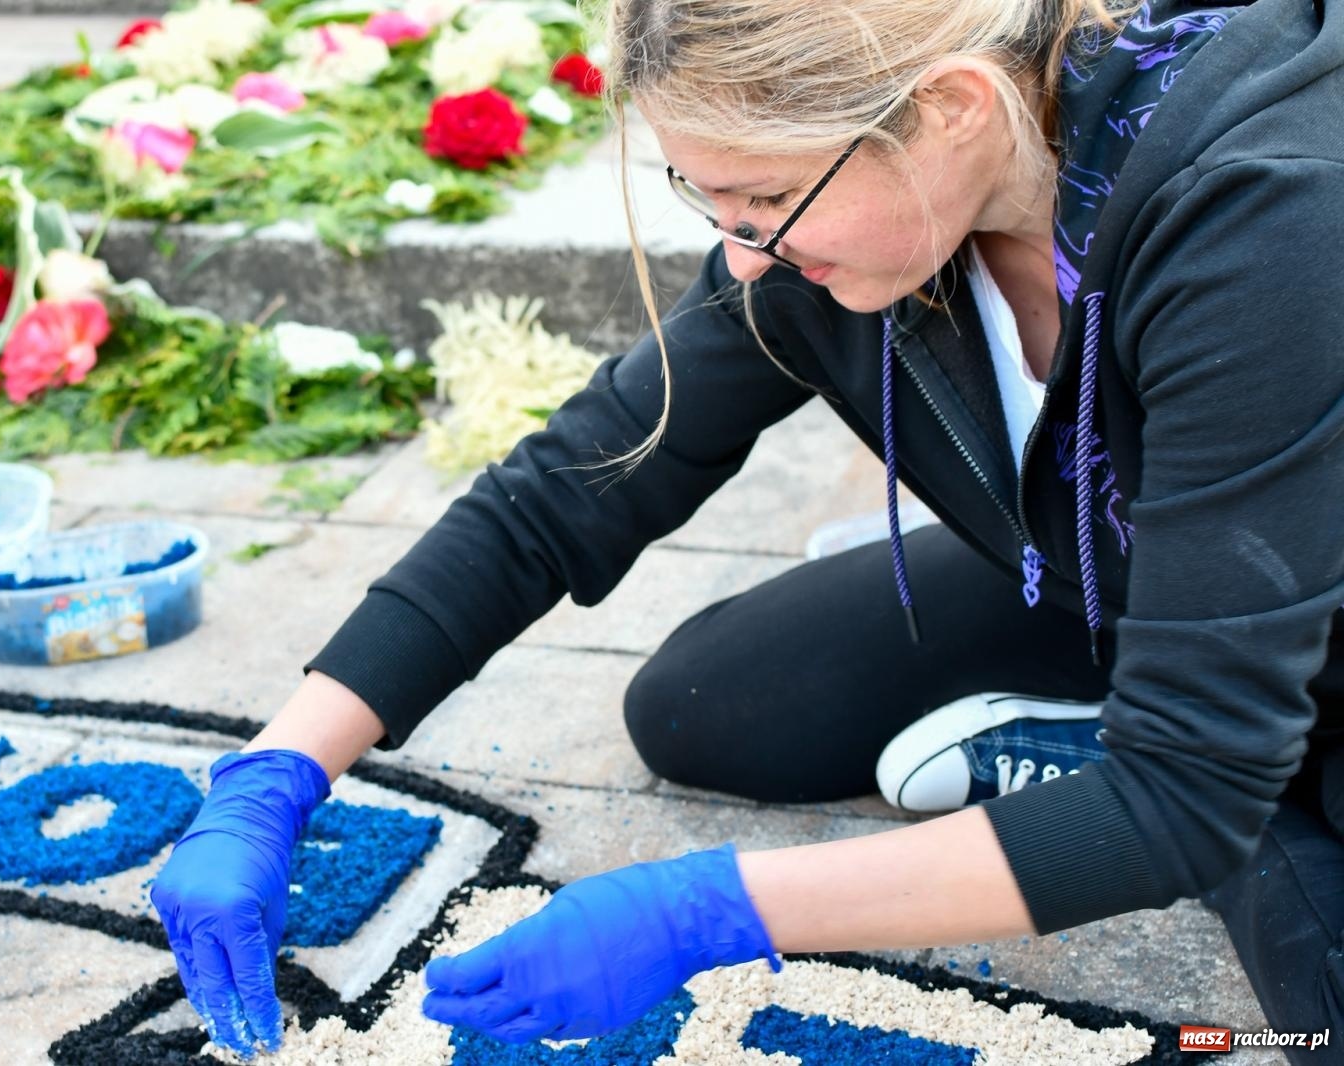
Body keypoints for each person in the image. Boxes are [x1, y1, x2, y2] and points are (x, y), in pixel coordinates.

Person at [148, 0, 1344, 1058]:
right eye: (707, 197)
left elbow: (1188, 794)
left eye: (767, 198)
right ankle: (1124, 736)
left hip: (1307, 623)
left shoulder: (1265, 217)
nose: (740, 251)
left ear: (950, 109)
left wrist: (713, 911)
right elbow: (571, 483)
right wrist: (279, 768)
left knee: (1246, 877)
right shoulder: (855, 223)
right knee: (704, 704)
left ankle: (1158, 761)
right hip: (1132, 567)